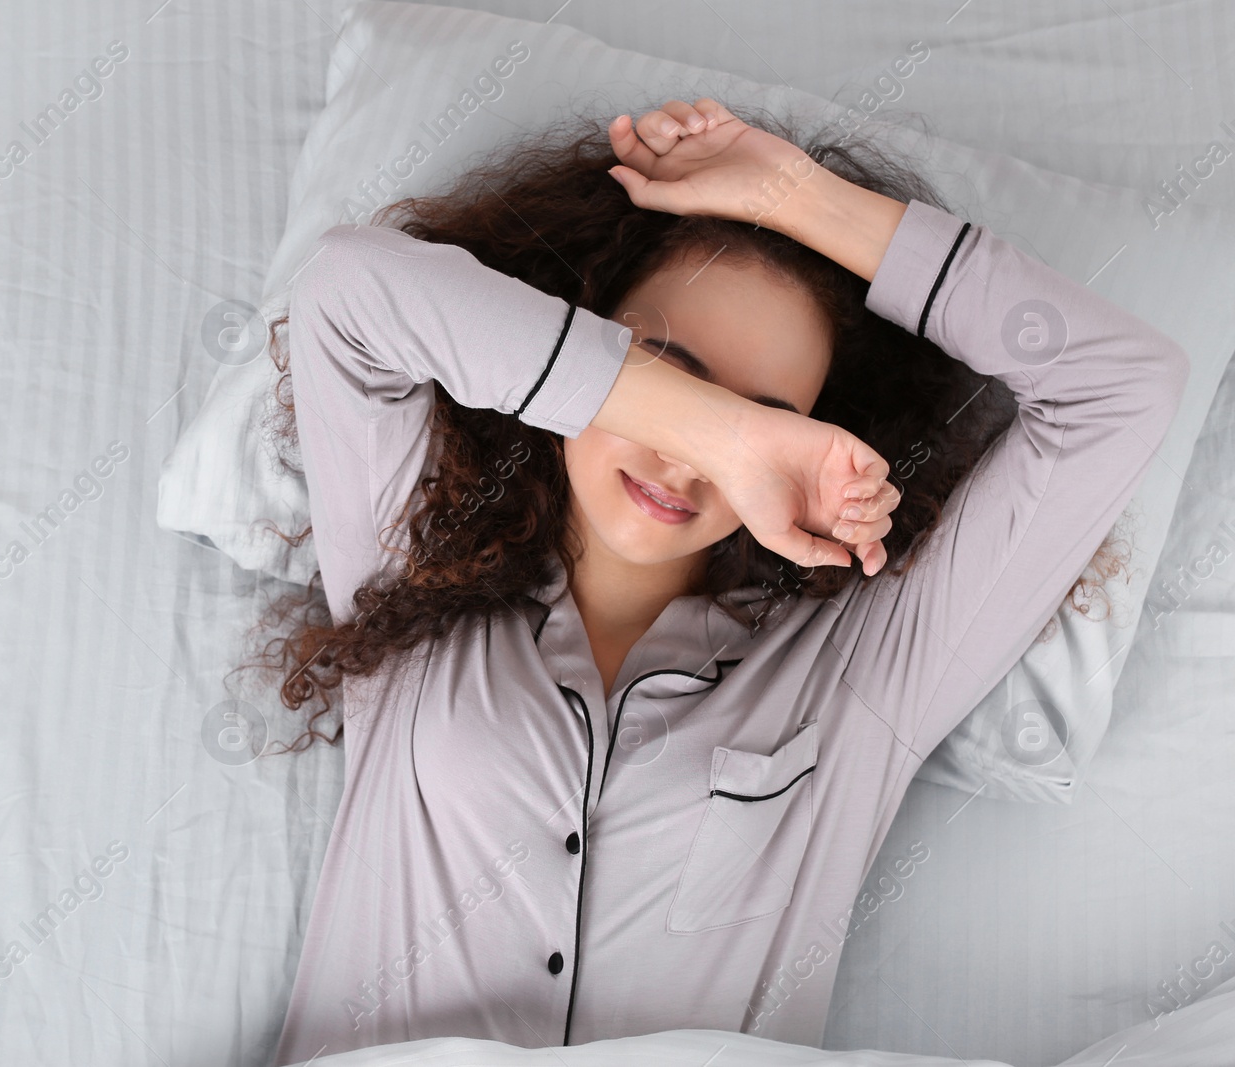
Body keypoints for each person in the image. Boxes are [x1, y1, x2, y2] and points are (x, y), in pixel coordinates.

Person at [248, 98, 1188, 1065]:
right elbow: (351, 290)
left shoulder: (863, 674)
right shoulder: (415, 576)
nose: (686, 465)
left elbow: (1122, 387)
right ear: (579, 342)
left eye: (768, 418)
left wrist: (803, 199)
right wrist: (730, 435)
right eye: (665, 375)